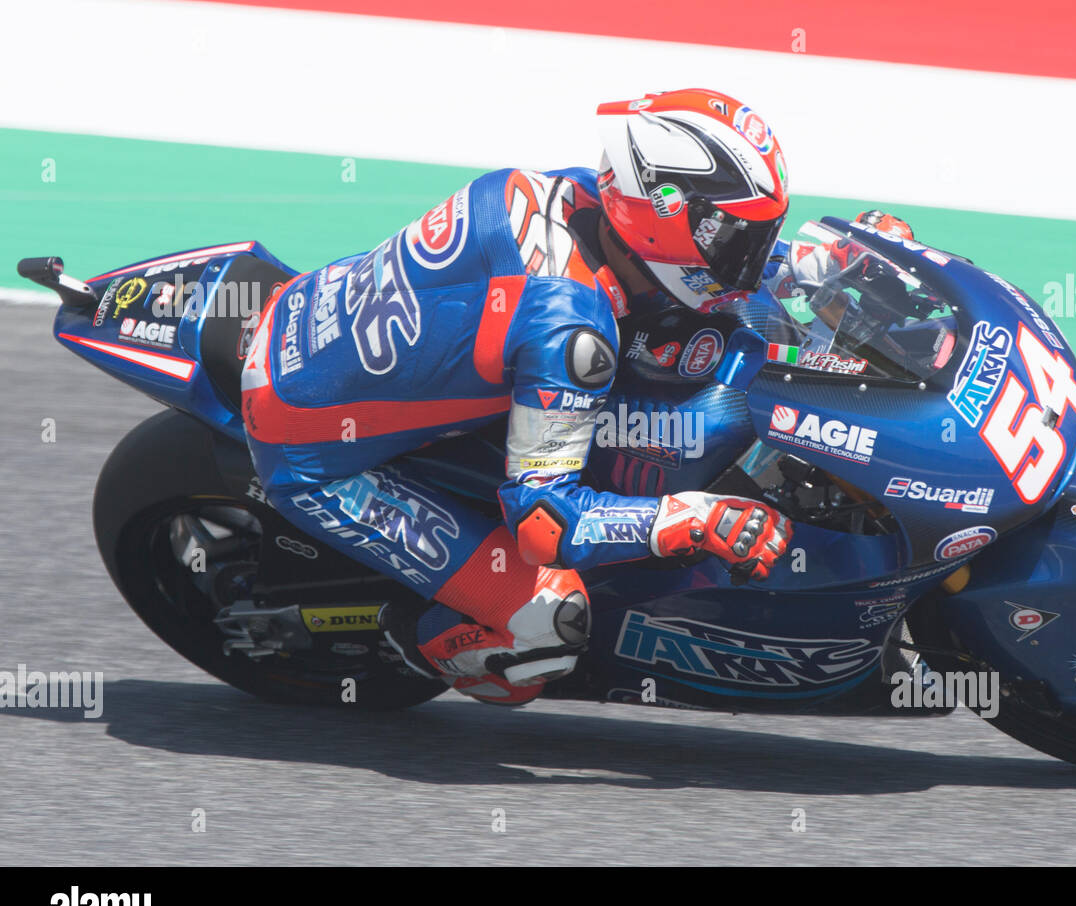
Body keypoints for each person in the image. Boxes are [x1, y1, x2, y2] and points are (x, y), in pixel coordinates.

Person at [239, 89, 794, 705]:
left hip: (305, 315)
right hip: (309, 450)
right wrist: (691, 519)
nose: (750, 257)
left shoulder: (571, 192)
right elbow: (543, 525)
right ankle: (414, 637)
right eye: (734, 237)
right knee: (551, 626)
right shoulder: (571, 333)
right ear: (663, 216)